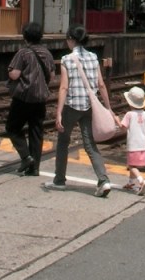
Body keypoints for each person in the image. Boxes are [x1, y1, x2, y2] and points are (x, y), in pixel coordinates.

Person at [45, 24, 113, 196]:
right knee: (90, 144)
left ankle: (59, 180)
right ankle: (103, 180)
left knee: (62, 142)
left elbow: (63, 88)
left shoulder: (67, 59)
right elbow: (101, 84)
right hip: (90, 106)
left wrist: (59, 112)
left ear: (72, 40)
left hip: (72, 106)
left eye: (67, 39)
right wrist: (108, 108)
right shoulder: (93, 57)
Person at [5, 21, 55, 176]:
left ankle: (26, 157)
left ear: (25, 37)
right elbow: (52, 76)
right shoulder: (47, 53)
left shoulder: (23, 53)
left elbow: (15, 74)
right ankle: (35, 168)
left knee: (12, 128)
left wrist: (10, 71)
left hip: (23, 97)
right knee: (36, 131)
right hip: (40, 98)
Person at [117, 85, 145, 196]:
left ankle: (141, 181)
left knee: (131, 166)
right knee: (134, 164)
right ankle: (131, 183)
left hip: (133, 144)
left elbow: (123, 127)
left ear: (130, 102)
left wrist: (116, 120)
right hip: (143, 144)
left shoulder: (129, 114)